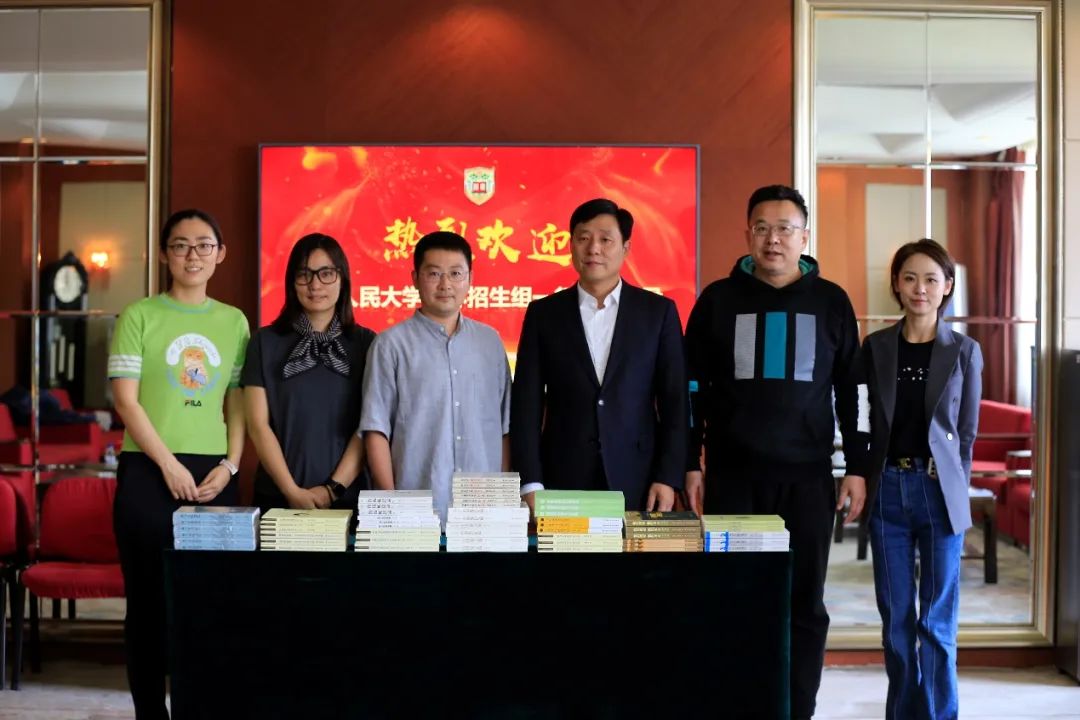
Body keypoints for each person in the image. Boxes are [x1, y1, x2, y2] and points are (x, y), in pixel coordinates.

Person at [684, 184, 869, 719]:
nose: (773, 240)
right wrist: (690, 462)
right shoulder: (718, 300)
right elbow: (690, 389)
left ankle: (797, 708)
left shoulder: (831, 301)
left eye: (785, 229)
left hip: (807, 480)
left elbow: (852, 392)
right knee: (734, 599)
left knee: (804, 603)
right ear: (747, 234)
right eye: (762, 228)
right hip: (734, 479)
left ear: (804, 237)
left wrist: (857, 467)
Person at [109, 209, 249, 719]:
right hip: (147, 470)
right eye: (181, 245)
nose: (193, 255)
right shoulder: (138, 315)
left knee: (209, 603)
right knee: (148, 605)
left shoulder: (234, 321)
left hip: (213, 476)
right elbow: (126, 401)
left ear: (220, 253)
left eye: (204, 245)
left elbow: (237, 401)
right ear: (164, 254)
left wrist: (231, 465)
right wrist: (166, 463)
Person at [862, 239, 982, 719]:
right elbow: (863, 421)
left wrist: (956, 490)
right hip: (887, 490)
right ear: (896, 284)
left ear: (947, 286)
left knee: (936, 621)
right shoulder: (875, 347)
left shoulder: (965, 350)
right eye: (910, 278)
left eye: (931, 279)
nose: (920, 289)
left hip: (939, 492)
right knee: (896, 619)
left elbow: (967, 434)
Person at [511, 197, 687, 512]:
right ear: (571, 246)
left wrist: (667, 476)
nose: (593, 248)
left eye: (606, 240)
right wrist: (531, 482)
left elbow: (675, 401)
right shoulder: (544, 314)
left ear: (626, 247)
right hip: (562, 476)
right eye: (583, 238)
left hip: (639, 477)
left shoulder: (657, 312)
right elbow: (527, 404)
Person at [359, 231, 511, 522]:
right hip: (414, 513)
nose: (445, 285)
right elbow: (376, 429)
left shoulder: (490, 342)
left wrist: (503, 502)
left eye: (455, 273)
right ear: (415, 278)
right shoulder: (390, 345)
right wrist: (391, 506)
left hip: (483, 517)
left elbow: (504, 428)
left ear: (470, 279)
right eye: (434, 274)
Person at [242, 233, 375, 513]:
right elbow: (257, 425)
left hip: (348, 498)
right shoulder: (263, 342)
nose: (315, 285)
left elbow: (369, 425)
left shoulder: (366, 343)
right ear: (292, 282)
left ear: (342, 279)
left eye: (326, 274)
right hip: (277, 497)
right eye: (304, 275)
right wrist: (291, 491)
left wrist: (332, 489)